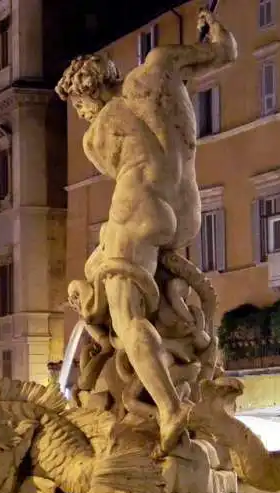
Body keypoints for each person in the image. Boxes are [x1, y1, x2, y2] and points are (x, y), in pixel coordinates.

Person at [55, 9, 237, 453]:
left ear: (87, 95)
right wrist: (212, 25)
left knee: (127, 315)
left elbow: (119, 171)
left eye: (79, 108)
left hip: (138, 208)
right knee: (106, 265)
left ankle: (169, 407)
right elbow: (224, 51)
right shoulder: (158, 68)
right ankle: (176, 355)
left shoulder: (96, 132)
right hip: (185, 210)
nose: (81, 115)